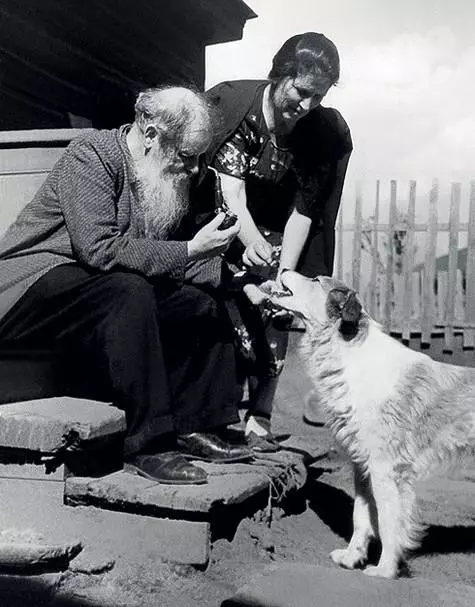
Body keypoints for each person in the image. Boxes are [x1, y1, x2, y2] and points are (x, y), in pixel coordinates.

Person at [0, 86, 252, 485]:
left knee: (197, 302)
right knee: (128, 292)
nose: (192, 169)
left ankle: (199, 424)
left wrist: (232, 280)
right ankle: (147, 444)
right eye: (186, 156)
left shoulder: (153, 178)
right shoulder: (92, 155)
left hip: (85, 287)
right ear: (151, 134)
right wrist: (191, 250)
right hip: (27, 288)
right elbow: (99, 251)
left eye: (199, 158)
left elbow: (146, 259)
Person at [203, 32, 353, 451]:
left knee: (279, 306)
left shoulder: (318, 132)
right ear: (279, 75)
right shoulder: (239, 112)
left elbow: (305, 210)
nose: (306, 106)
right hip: (228, 219)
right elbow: (230, 194)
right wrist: (251, 246)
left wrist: (284, 271)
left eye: (317, 97)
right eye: (301, 92)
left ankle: (261, 415)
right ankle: (221, 413)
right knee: (232, 306)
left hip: (282, 227)